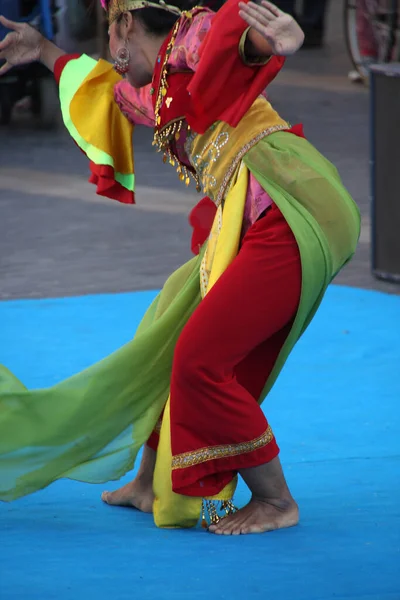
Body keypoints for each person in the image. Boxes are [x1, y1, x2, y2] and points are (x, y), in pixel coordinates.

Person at [0, 0, 360, 535]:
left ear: (124, 25)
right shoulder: (152, 91)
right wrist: (44, 50)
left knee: (199, 358)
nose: (111, 57)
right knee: (166, 333)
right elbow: (103, 92)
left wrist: (272, 42)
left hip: (289, 206)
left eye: (109, 38)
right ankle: (148, 481)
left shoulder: (190, 37)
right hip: (244, 221)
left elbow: (229, 46)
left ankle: (277, 500)